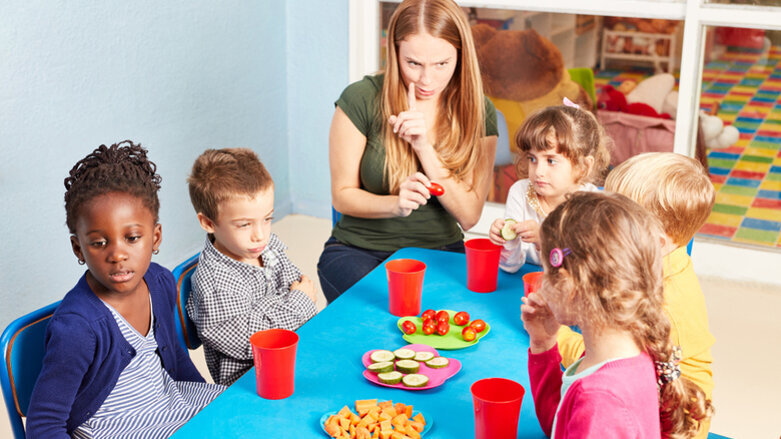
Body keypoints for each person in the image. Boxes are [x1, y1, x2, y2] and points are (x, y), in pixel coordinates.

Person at [27, 141, 224, 439]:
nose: (117, 254)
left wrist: (211, 408)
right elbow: (44, 425)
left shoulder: (159, 283)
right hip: (113, 427)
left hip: (165, 407)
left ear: (155, 237)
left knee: (245, 412)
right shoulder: (77, 328)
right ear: (78, 247)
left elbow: (178, 363)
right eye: (99, 242)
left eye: (131, 238)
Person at [317, 0, 499, 303]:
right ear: (394, 51)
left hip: (440, 251)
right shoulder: (361, 98)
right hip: (358, 249)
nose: (427, 80)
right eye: (413, 63)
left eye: (442, 64)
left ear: (461, 55)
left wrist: (423, 147)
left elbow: (469, 216)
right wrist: (395, 205)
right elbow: (342, 195)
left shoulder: (479, 111)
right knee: (393, 308)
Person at [522, 192, 713, 438]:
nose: (541, 285)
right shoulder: (621, 352)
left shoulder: (600, 400)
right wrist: (544, 343)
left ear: (570, 286)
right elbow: (562, 423)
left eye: (546, 271)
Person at [186, 148, 318, 386]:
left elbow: (299, 285)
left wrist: (284, 306)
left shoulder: (263, 247)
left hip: (292, 357)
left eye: (267, 219)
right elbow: (254, 342)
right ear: (208, 223)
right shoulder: (216, 284)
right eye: (244, 224)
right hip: (253, 380)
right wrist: (296, 303)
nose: (260, 235)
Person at [488, 103, 610, 272]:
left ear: (583, 167)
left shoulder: (591, 203)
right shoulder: (520, 192)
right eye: (532, 159)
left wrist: (544, 239)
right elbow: (510, 267)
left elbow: (586, 270)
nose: (538, 172)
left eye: (551, 161)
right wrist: (507, 240)